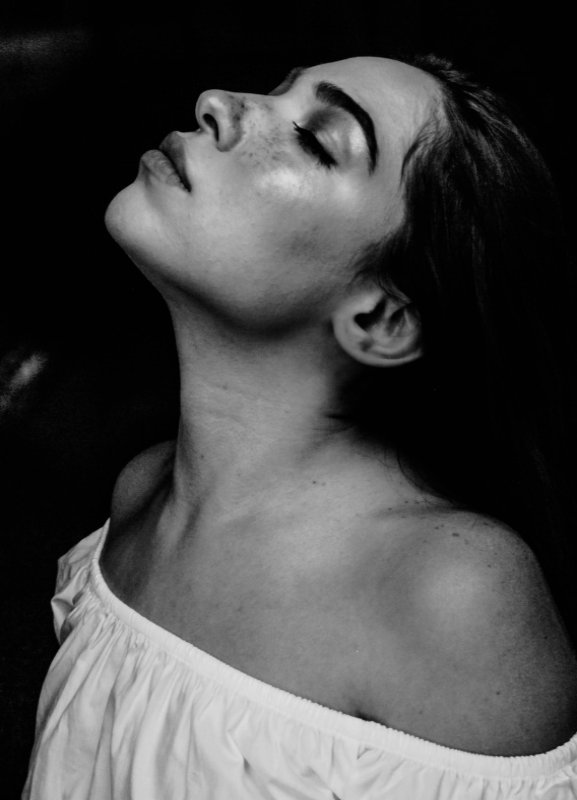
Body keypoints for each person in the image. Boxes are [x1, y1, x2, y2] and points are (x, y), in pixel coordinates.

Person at [23, 53, 577, 799]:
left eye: (317, 140)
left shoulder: (449, 592)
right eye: (278, 91)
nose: (215, 101)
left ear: (380, 320)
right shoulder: (141, 496)